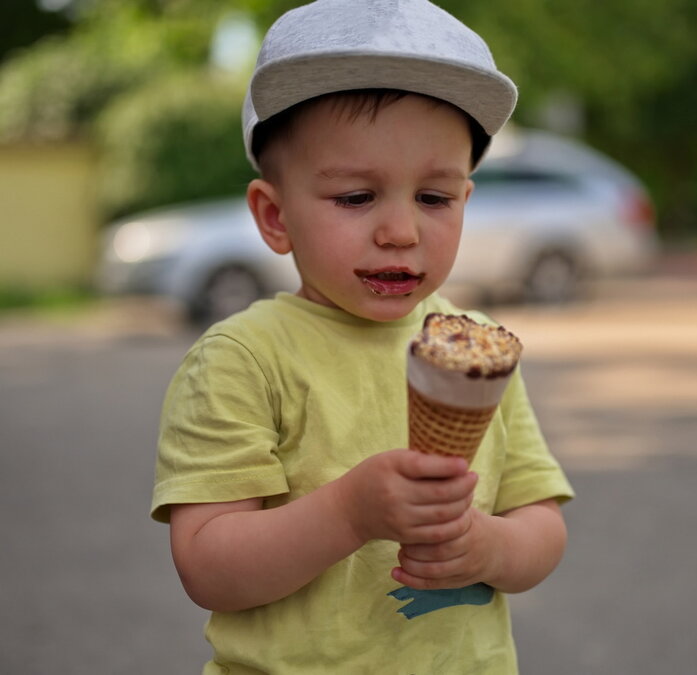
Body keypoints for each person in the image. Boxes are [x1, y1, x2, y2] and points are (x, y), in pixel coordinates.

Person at [150, 0, 574, 672]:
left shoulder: (477, 349)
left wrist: (488, 547)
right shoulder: (242, 359)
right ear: (274, 215)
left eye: (433, 198)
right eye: (355, 197)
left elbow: (541, 523)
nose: (401, 231)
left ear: (465, 200)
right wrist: (349, 514)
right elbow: (207, 565)